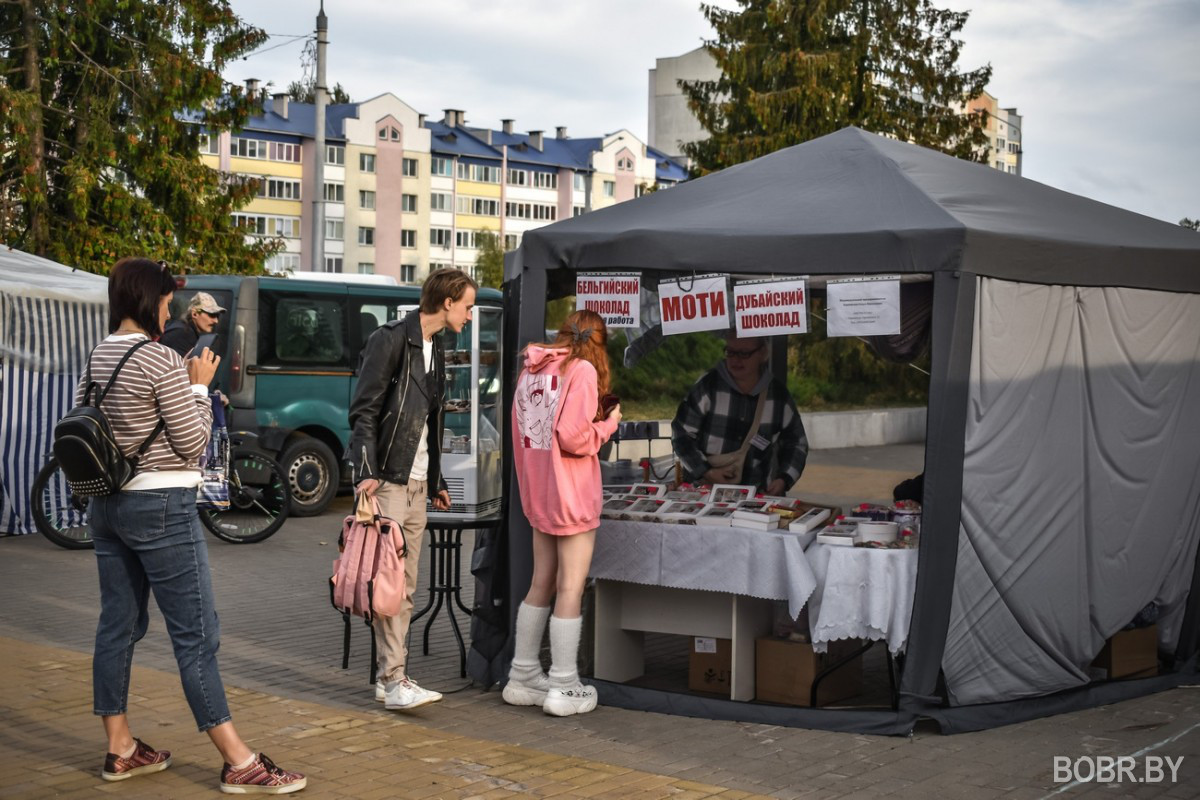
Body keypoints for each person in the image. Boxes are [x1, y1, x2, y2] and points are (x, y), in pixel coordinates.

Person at [83, 258, 305, 793]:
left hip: (107, 506)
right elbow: (190, 443)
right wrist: (199, 388)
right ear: (148, 300)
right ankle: (238, 760)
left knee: (118, 625)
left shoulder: (99, 353)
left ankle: (120, 746)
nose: (170, 309)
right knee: (196, 636)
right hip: (161, 505)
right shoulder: (159, 358)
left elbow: (90, 423)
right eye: (166, 300)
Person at [347, 268, 475, 711]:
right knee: (390, 582)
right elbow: (363, 410)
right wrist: (366, 470)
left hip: (419, 481)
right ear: (447, 302)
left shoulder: (438, 347)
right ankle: (395, 679)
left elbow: (429, 421)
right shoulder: (391, 340)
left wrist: (436, 479)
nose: (471, 316)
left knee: (406, 584)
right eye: (468, 306)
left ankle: (389, 677)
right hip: (388, 480)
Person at [504, 309, 622, 717]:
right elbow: (572, 436)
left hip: (538, 491)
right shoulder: (583, 371)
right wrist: (608, 426)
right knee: (570, 586)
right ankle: (564, 683)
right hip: (571, 494)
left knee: (542, 582)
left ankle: (522, 675)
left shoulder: (533, 368)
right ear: (599, 342)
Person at [672, 334, 808, 495]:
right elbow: (681, 434)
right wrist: (706, 472)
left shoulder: (777, 395)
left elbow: (797, 442)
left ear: (763, 353)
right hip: (703, 497)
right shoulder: (709, 386)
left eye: (744, 353)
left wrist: (784, 479)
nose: (736, 360)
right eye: (730, 352)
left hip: (755, 499)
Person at [159, 291, 225, 358]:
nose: (216, 321)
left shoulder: (185, 330)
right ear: (195, 314)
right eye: (212, 315)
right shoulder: (183, 334)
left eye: (217, 316)